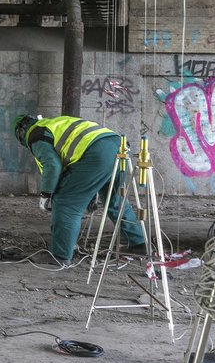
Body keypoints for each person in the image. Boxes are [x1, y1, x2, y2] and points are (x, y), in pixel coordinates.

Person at [13, 114, 145, 265]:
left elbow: (52, 165)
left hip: (96, 153)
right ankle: (139, 243)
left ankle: (60, 256)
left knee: (66, 202)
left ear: (20, 132)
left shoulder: (35, 134)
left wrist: (46, 194)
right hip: (117, 145)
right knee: (115, 199)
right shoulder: (54, 124)